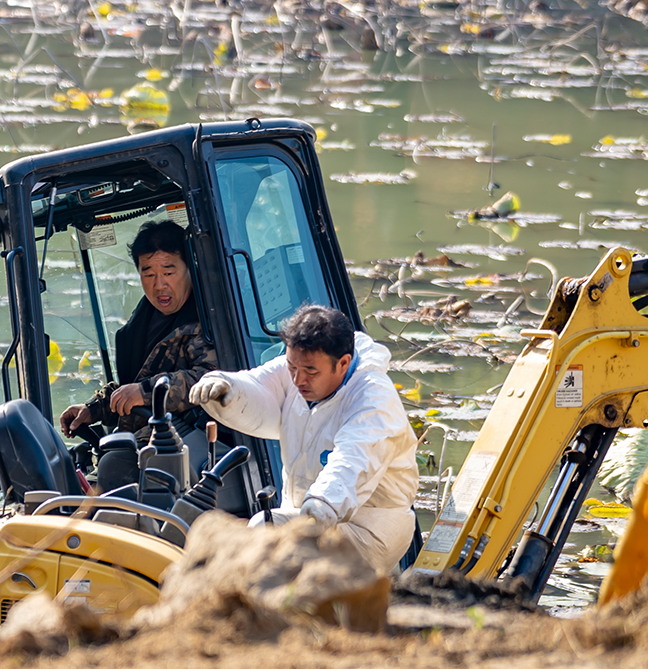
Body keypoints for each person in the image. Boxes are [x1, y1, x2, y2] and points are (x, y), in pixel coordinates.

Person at [188, 304, 417, 575]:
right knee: (264, 535)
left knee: (265, 534)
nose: (297, 379)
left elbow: (353, 460)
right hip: (306, 512)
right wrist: (227, 386)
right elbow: (260, 384)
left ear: (343, 363)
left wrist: (322, 504)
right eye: (291, 367)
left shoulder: (373, 398)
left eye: (310, 371)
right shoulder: (301, 367)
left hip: (368, 527)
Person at [59, 219, 218, 437]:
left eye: (169, 273)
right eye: (149, 274)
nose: (159, 284)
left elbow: (211, 380)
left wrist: (145, 392)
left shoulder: (210, 318)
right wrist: (92, 409)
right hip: (141, 440)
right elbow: (132, 386)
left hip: (186, 442)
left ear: (190, 267)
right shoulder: (142, 320)